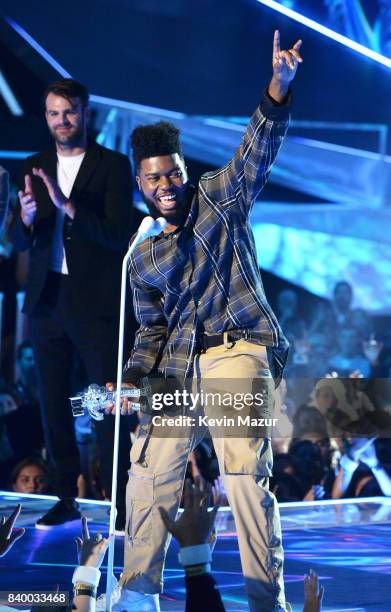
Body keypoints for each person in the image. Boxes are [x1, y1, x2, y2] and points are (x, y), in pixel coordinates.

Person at [106, 31, 303, 612]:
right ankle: (139, 596)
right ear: (140, 184)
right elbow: (149, 332)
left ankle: (267, 602)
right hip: (174, 370)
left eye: (172, 174)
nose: (165, 186)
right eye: (153, 178)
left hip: (235, 351)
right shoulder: (142, 256)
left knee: (243, 474)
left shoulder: (221, 195)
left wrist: (278, 87)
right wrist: (133, 382)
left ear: (183, 170)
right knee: (148, 477)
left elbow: (257, 148)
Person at [8, 78, 142, 530]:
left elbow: (116, 233)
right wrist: (25, 221)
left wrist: (66, 205)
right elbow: (17, 238)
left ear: (85, 114)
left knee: (105, 406)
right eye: (53, 113)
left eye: (69, 112)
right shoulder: (34, 164)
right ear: (45, 117)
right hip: (48, 302)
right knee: (55, 404)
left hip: (97, 303)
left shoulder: (114, 166)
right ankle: (66, 495)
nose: (61, 121)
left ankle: (120, 503)